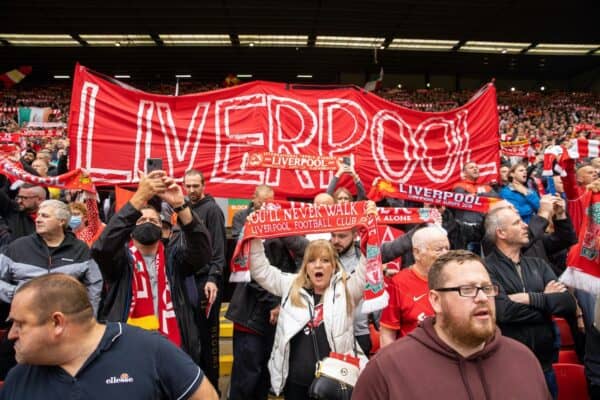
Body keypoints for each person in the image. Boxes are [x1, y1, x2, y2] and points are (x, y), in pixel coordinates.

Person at [352, 250, 551, 400]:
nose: (482, 298)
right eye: (467, 289)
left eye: (486, 288)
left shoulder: (523, 359)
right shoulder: (387, 369)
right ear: (436, 301)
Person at [0, 274, 218, 400]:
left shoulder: (149, 350)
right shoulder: (18, 380)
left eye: (20, 324)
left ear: (57, 323)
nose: (11, 335)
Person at [91, 170, 212, 370]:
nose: (147, 223)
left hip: (173, 350)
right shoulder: (119, 261)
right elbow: (102, 248)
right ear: (130, 229)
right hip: (126, 351)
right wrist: (139, 199)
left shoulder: (176, 259)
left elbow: (202, 250)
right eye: (141, 220)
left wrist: (180, 205)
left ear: (163, 230)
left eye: (154, 221)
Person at [248, 237, 368, 399]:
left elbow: (366, 270)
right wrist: (254, 237)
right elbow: (261, 271)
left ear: (333, 266)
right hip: (295, 384)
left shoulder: (347, 289)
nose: (318, 265)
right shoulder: (290, 285)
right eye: (312, 260)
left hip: (334, 385)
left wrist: (370, 240)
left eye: (325, 260)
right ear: (306, 267)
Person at [0, 199, 103, 378]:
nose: (38, 219)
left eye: (45, 216)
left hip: (67, 328)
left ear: (62, 221)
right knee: (16, 375)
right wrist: (20, 295)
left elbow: (94, 285)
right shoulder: (17, 247)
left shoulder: (81, 250)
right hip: (24, 327)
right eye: (38, 215)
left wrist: (88, 317)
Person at [483, 206, 577, 398]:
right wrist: (547, 301)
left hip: (544, 365)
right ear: (501, 232)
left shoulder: (538, 264)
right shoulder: (485, 269)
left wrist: (530, 298)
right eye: (517, 223)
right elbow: (503, 312)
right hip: (507, 367)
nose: (526, 225)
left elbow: (567, 303)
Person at [182, 169, 226, 389]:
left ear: (204, 185)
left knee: (208, 340)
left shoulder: (212, 210)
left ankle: (212, 389)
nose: (191, 190)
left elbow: (219, 250)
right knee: (189, 338)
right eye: (188, 186)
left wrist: (213, 278)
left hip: (205, 284)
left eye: (195, 186)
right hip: (185, 281)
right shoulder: (182, 209)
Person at [379, 226, 449, 347]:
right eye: (438, 249)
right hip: (411, 358)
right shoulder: (399, 283)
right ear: (417, 253)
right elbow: (387, 333)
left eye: (447, 248)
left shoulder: (455, 279)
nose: (445, 254)